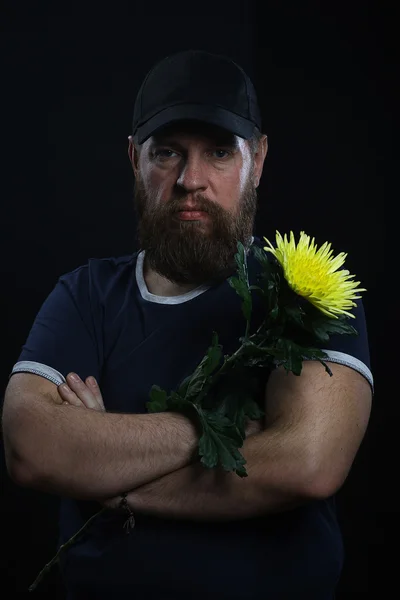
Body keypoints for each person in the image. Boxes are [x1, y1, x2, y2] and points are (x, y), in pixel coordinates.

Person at [2, 50, 373, 600]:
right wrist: (219, 435)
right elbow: (31, 447)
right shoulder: (84, 296)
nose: (190, 180)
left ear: (259, 160)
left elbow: (308, 464)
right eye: (168, 153)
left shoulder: (308, 291)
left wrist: (112, 478)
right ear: (134, 159)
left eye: (219, 153)